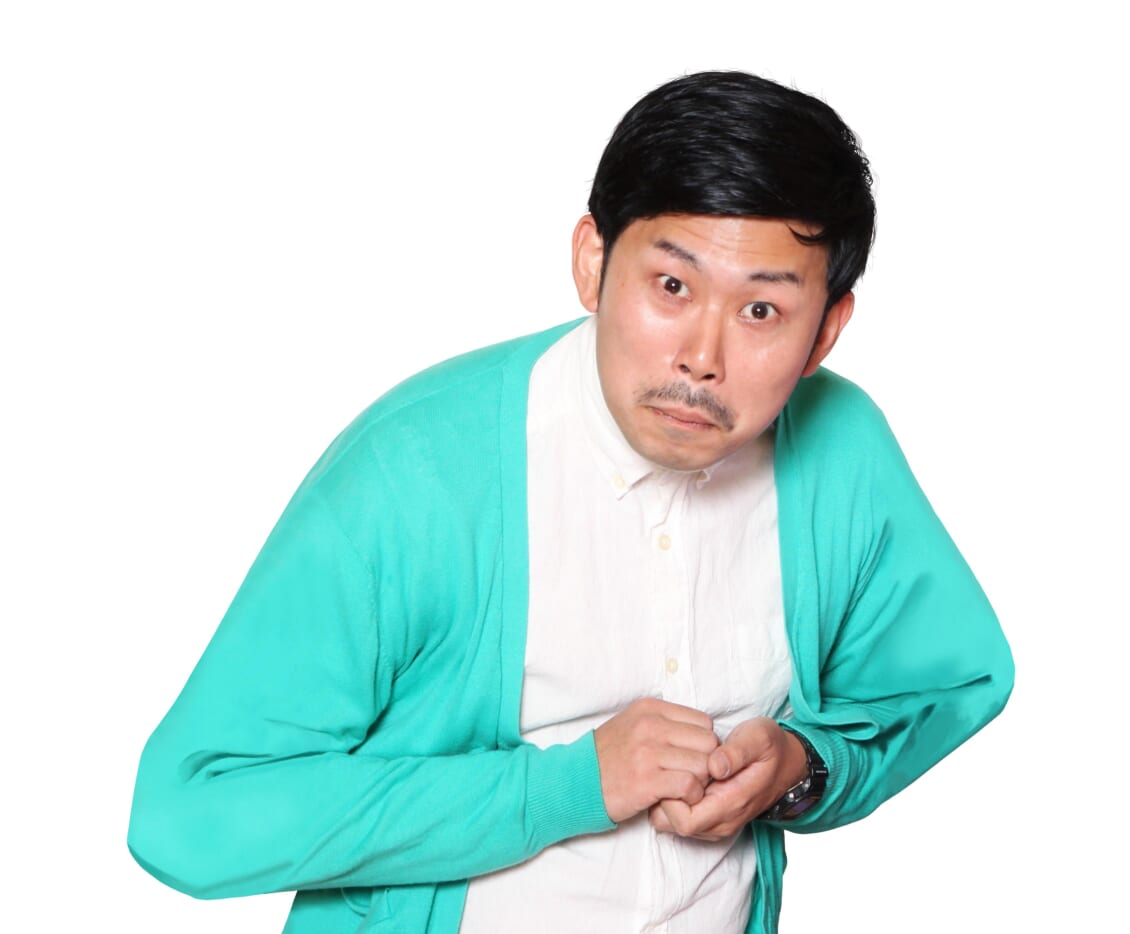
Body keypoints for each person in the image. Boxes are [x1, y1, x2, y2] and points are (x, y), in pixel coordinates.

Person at [128, 71, 1013, 933]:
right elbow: (191, 816)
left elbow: (940, 684)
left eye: (761, 313)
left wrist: (802, 767)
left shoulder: (839, 449)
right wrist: (568, 787)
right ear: (593, 262)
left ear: (825, 331)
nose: (702, 358)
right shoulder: (417, 473)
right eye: (672, 286)